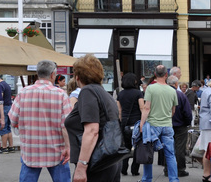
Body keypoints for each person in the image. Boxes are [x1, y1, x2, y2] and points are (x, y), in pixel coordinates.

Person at [8, 60, 71, 182]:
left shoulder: (23, 93)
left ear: (37, 73)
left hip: (31, 149)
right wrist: (68, 146)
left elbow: (13, 119)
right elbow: (66, 125)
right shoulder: (61, 94)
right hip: (56, 150)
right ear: (53, 75)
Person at [65, 54, 122, 182]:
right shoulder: (103, 93)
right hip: (108, 160)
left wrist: (81, 166)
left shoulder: (87, 92)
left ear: (77, 76)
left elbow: (92, 130)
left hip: (95, 162)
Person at [139, 65, 179, 182]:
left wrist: (142, 123)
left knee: (148, 153)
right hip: (167, 125)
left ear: (155, 74)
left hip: (153, 125)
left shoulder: (151, 88)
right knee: (170, 155)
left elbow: (147, 108)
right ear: (166, 75)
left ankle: (147, 179)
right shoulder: (172, 91)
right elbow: (173, 110)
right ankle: (173, 179)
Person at [161, 75, 192, 177]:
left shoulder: (162, 94)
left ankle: (167, 169)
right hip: (180, 125)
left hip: (165, 123)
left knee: (167, 147)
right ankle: (180, 169)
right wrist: (187, 122)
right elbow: (187, 112)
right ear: (176, 84)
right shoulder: (180, 95)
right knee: (180, 148)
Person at [117, 72, 143, 177]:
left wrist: (121, 123)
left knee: (126, 147)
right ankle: (134, 170)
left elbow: (119, 111)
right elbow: (142, 108)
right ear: (134, 81)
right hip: (136, 123)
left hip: (125, 123)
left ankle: (123, 169)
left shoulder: (120, 94)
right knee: (137, 146)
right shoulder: (138, 93)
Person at [0, 75, 13, 154]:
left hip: (3, 108)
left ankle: (4, 147)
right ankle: (11, 146)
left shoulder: (0, 85)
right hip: (9, 107)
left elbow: (0, 97)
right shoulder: (6, 84)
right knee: (8, 127)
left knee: (2, 127)